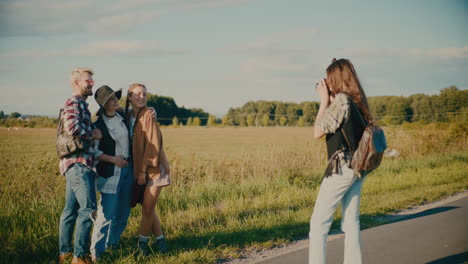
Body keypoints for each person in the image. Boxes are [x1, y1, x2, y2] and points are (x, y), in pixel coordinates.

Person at [309, 59, 372, 264]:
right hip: (358, 168)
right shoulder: (357, 100)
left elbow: (318, 131)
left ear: (335, 78)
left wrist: (324, 100)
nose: (326, 81)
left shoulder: (342, 101)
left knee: (318, 224)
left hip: (341, 168)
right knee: (351, 221)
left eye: (328, 77)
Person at [58, 68, 102, 264]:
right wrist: (93, 133)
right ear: (77, 83)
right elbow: (73, 127)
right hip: (79, 164)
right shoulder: (74, 102)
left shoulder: (81, 104)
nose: (92, 83)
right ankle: (80, 256)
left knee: (70, 210)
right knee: (88, 210)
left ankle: (65, 253)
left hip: (76, 164)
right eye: (88, 81)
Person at [125, 83, 171, 255]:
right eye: (137, 94)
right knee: (147, 207)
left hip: (154, 168)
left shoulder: (148, 115)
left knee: (147, 208)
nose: (141, 97)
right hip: (140, 169)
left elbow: (153, 145)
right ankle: (161, 242)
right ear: (129, 97)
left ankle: (142, 247)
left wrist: (143, 170)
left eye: (144, 94)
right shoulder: (128, 115)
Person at [89, 85, 133, 261]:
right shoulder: (98, 125)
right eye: (111, 99)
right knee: (106, 214)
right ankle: (96, 253)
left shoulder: (123, 116)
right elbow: (94, 152)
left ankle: (112, 246)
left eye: (116, 97)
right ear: (104, 104)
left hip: (128, 170)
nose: (116, 101)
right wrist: (113, 159)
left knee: (123, 212)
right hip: (110, 173)